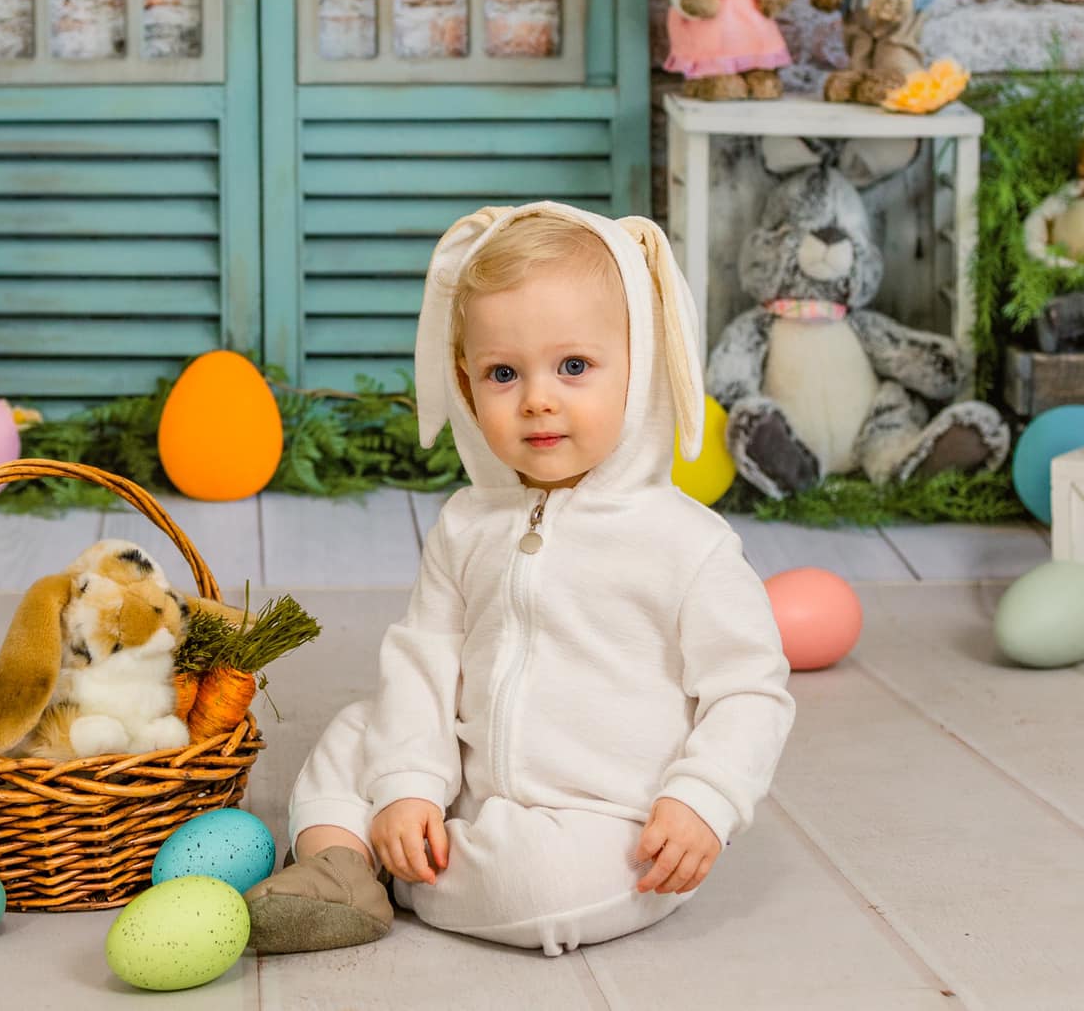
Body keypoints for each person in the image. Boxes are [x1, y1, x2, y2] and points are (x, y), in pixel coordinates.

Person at [245, 203, 795, 958]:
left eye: (574, 366)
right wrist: (409, 784)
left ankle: (390, 862)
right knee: (358, 729)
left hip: (613, 819)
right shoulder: (466, 525)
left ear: (640, 372)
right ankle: (343, 867)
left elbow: (750, 690)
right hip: (463, 781)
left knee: (541, 888)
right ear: (468, 389)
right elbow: (425, 660)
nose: (538, 398)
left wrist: (702, 800)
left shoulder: (685, 544)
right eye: (504, 373)